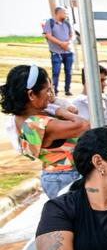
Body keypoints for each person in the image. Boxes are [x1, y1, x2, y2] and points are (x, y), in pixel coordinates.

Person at [3, 65, 88, 198]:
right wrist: (58, 110)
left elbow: (74, 110)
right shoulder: (39, 124)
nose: (51, 95)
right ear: (31, 94)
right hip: (64, 177)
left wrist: (53, 103)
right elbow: (84, 125)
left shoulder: (21, 117)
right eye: (48, 90)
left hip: (58, 176)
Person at [41, 6, 75, 95]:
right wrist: (61, 43)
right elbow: (48, 35)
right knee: (56, 72)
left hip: (68, 52)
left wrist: (67, 43)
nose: (66, 15)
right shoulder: (50, 22)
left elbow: (71, 35)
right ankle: (54, 91)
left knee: (69, 72)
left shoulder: (67, 23)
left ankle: (67, 90)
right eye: (65, 13)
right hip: (56, 52)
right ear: (58, 13)